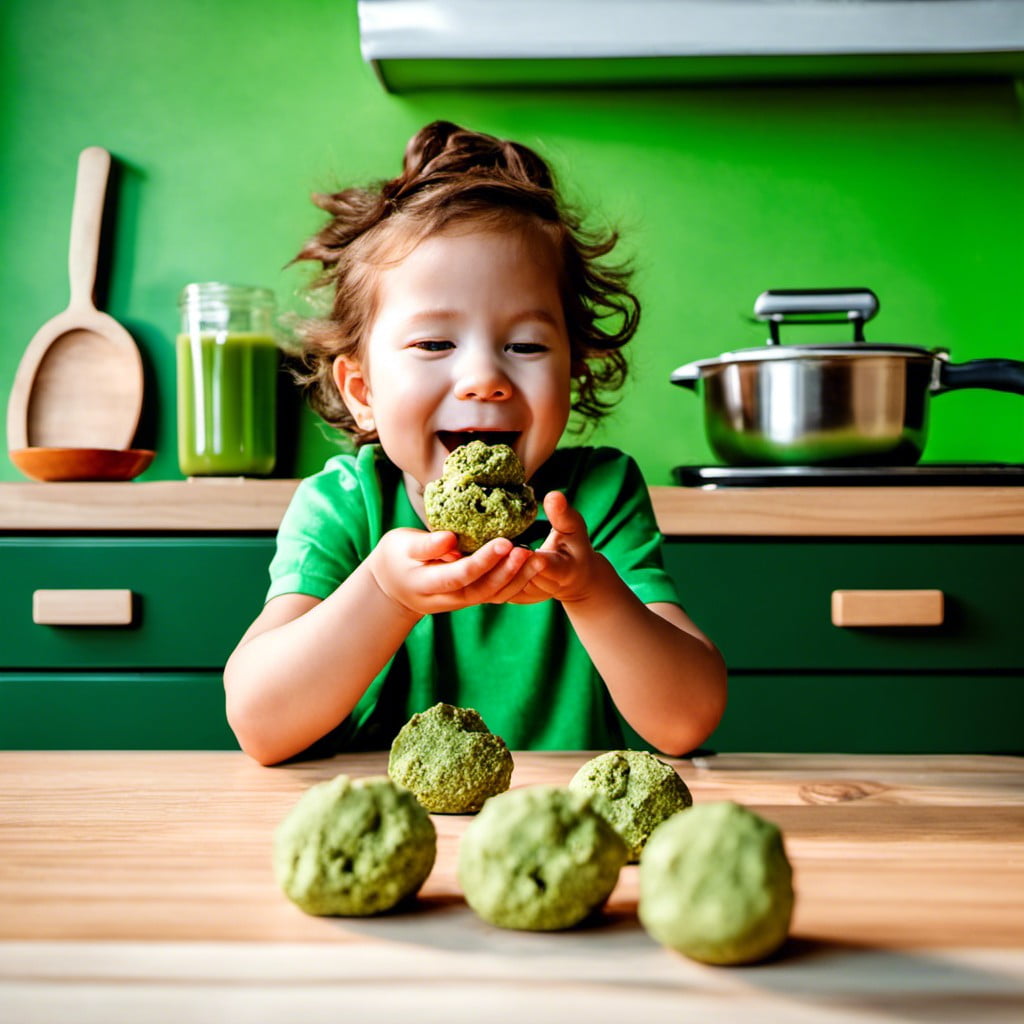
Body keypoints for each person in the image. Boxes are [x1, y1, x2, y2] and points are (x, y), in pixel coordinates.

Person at [224, 121, 727, 766]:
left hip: (563, 841)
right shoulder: (343, 505)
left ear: (572, 372)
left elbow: (686, 722)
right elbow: (260, 726)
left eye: (526, 345)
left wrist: (588, 588)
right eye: (434, 344)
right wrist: (385, 593)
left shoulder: (596, 500)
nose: (486, 379)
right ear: (362, 390)